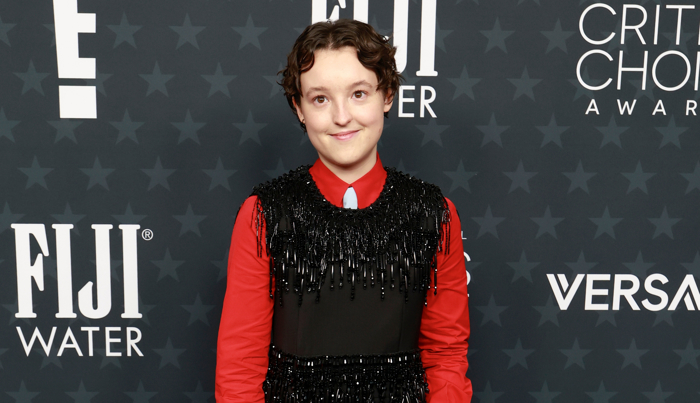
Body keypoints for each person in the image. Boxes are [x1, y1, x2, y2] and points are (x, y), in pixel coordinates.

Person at [216, 19, 472, 402]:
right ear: (299, 108)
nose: (341, 116)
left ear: (387, 96)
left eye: (358, 94)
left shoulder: (434, 213)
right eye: (320, 99)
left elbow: (445, 353)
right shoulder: (264, 214)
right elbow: (240, 365)